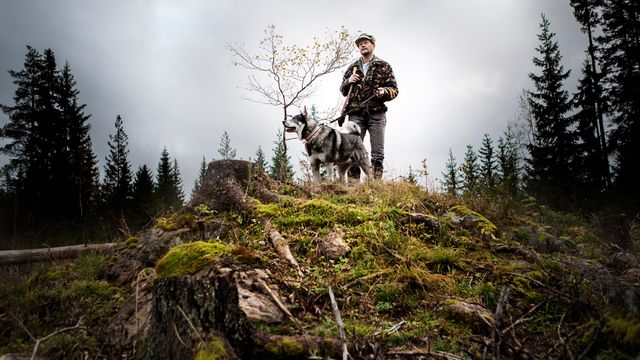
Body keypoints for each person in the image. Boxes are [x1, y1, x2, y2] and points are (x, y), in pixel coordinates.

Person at [340, 33, 398, 180]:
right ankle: (353, 187)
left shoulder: (383, 66)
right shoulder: (352, 68)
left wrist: (384, 91)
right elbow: (343, 90)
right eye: (360, 44)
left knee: (377, 152)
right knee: (353, 150)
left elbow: (394, 89)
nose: (362, 45)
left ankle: (376, 185)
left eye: (365, 42)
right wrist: (348, 81)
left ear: (373, 45)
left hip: (377, 113)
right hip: (356, 113)